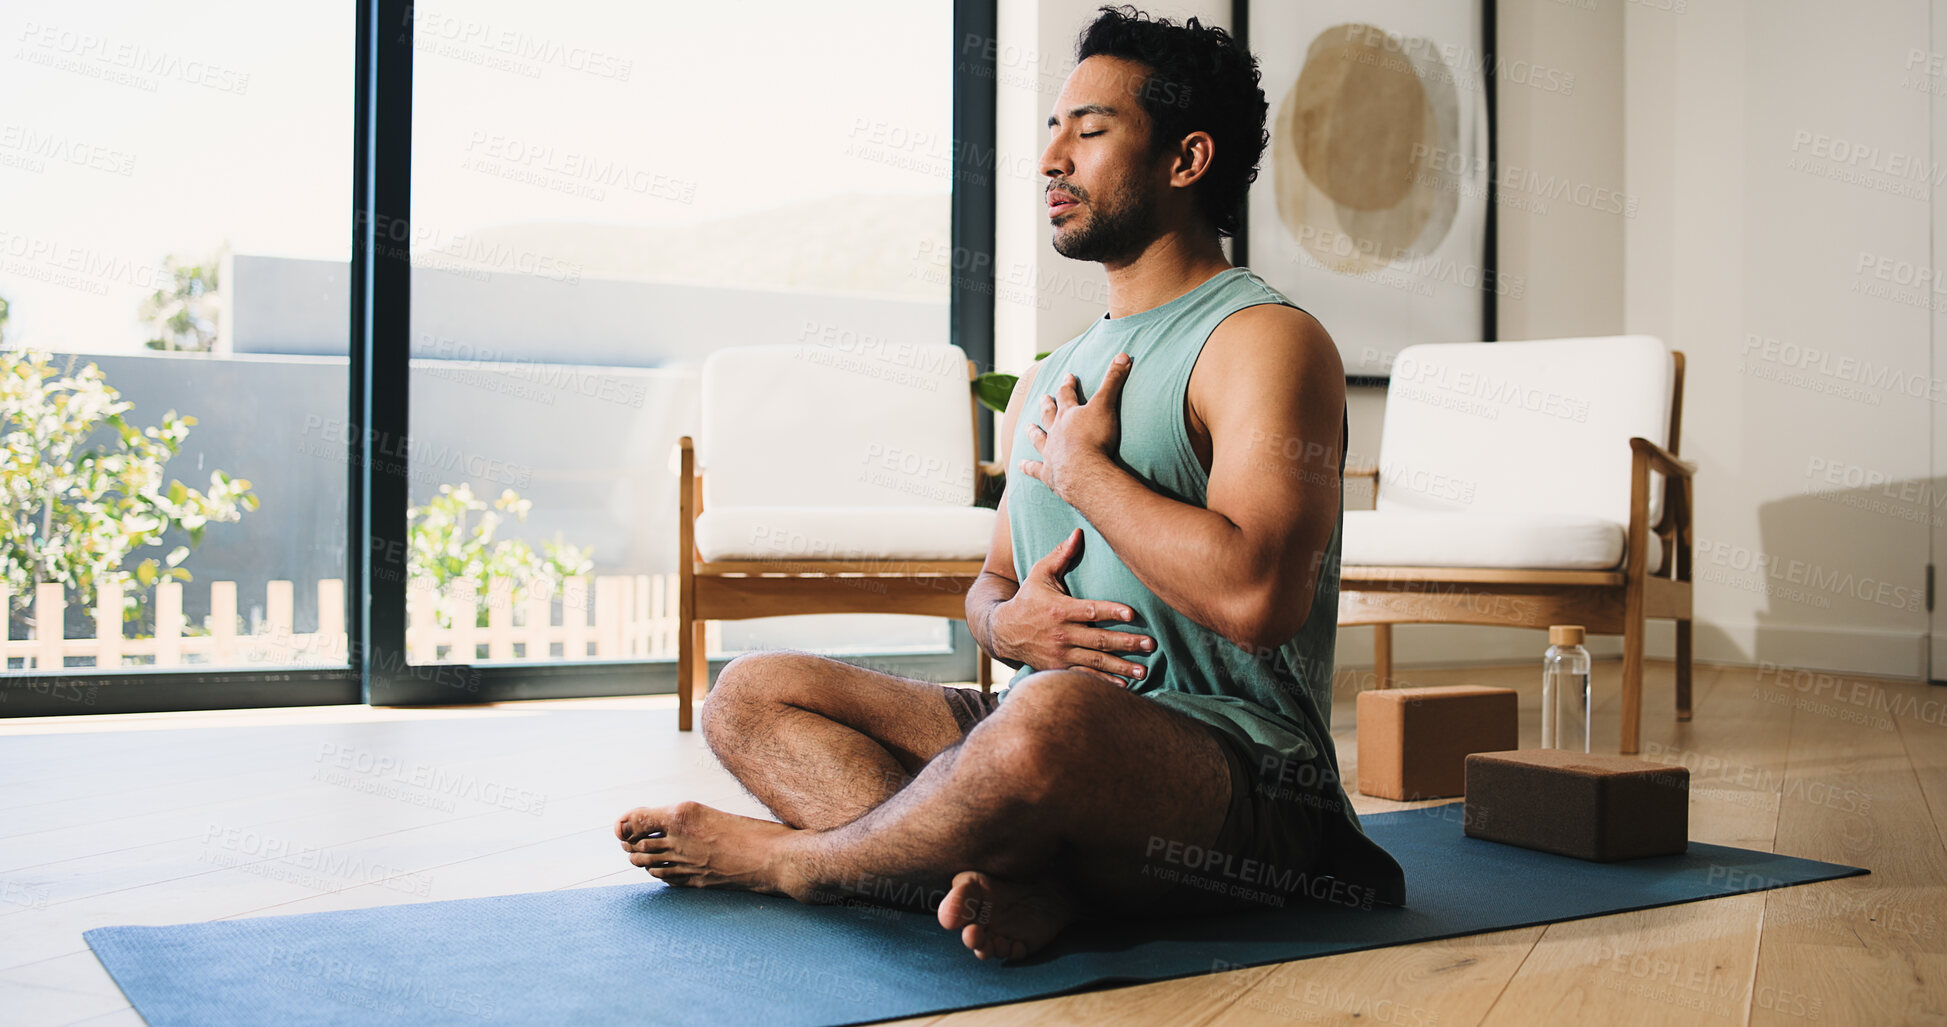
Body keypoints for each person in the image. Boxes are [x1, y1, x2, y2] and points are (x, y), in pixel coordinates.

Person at [617, 4, 1405, 961]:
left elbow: (1258, 597)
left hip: (1235, 772)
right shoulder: (1051, 369)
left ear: (1186, 159)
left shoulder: (1265, 341)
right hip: (1027, 728)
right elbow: (989, 586)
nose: (1049, 161)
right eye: (1051, 131)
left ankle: (801, 863)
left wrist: (1084, 470)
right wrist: (1006, 625)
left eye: (1091, 130)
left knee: (1047, 718)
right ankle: (1033, 885)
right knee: (749, 692)